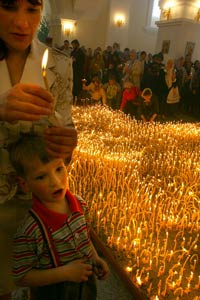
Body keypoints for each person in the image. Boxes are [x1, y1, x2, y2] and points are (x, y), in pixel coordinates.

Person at [0, 1, 77, 299]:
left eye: (32, 9)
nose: (22, 23)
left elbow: (64, 125)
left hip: (38, 199)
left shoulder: (58, 63)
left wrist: (69, 142)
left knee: (38, 277)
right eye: (8, 7)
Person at [9, 134, 109, 300]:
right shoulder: (31, 228)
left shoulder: (79, 204)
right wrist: (65, 273)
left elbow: (84, 237)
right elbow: (21, 276)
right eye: (41, 176)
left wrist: (95, 257)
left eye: (59, 169)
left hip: (85, 288)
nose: (55, 182)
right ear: (25, 184)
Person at [71, 39, 85, 104]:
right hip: (73, 71)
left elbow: (82, 62)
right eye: (72, 45)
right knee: (73, 85)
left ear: (77, 44)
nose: (73, 46)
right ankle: (73, 98)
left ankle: (77, 100)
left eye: (73, 44)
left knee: (77, 86)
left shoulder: (81, 52)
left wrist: (76, 60)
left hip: (78, 72)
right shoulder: (73, 51)